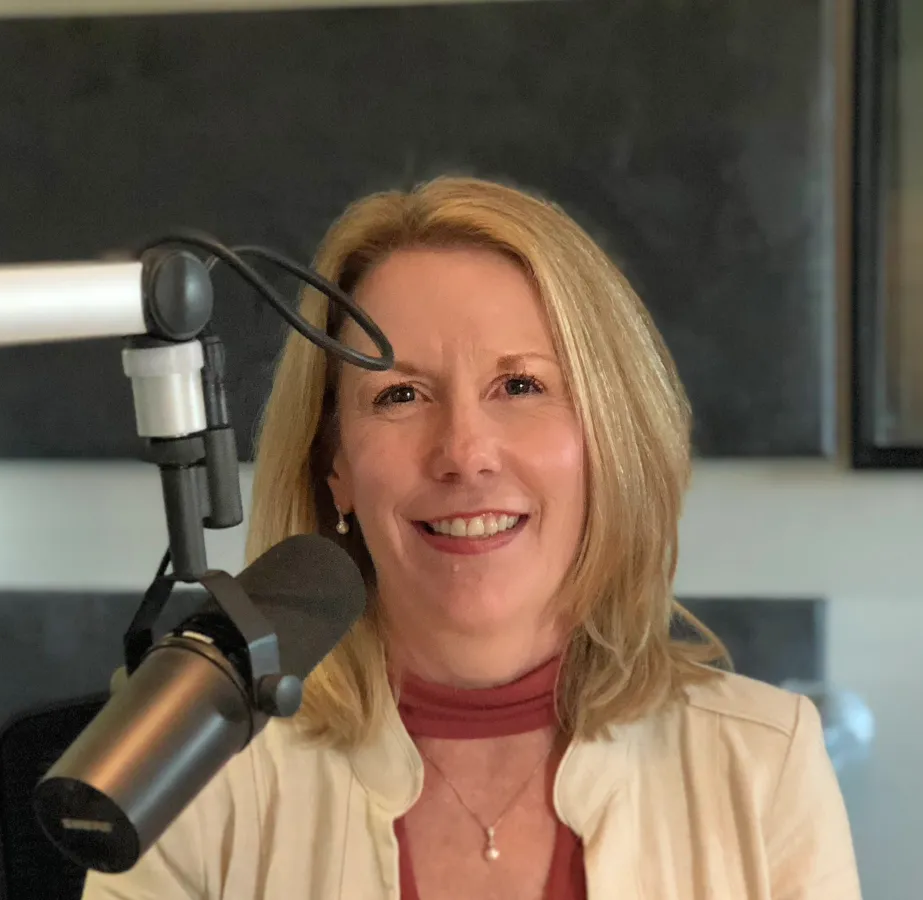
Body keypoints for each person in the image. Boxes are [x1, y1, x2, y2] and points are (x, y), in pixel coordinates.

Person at [83, 176, 861, 899]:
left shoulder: (764, 762)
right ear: (336, 468)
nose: (463, 452)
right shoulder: (196, 772)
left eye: (520, 385)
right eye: (400, 395)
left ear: (607, 442)